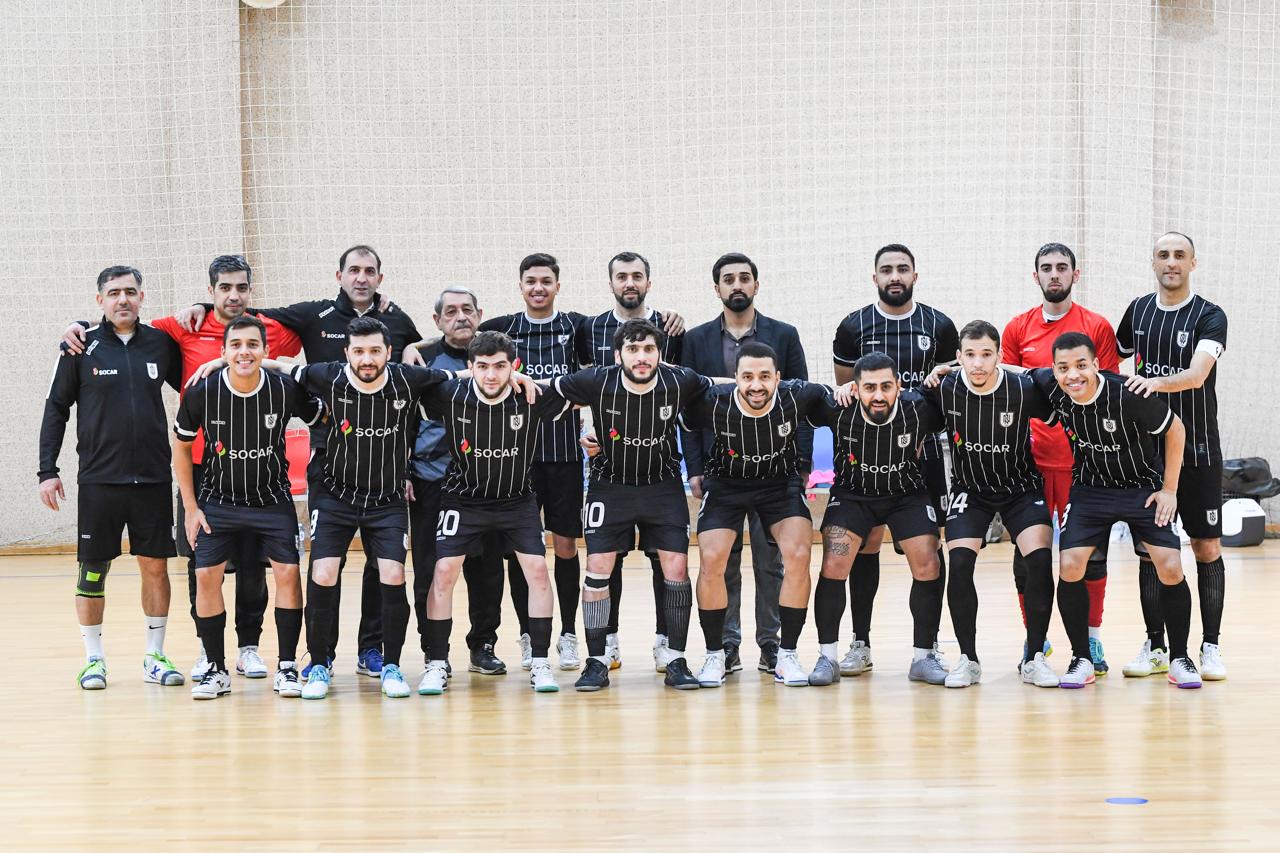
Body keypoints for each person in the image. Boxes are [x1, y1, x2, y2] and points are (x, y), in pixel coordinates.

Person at [176, 245, 423, 679]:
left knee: (384, 569)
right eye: (353, 269)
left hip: (383, 473)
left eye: (369, 271)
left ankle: (372, 652)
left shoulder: (398, 320)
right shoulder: (313, 315)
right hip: (328, 468)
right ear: (339, 275)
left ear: (380, 279)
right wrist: (208, 313)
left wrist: (419, 346)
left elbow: (428, 370)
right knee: (323, 568)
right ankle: (315, 657)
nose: (361, 277)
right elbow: (248, 317)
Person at [60, 254, 305, 680]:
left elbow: (303, 339)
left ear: (250, 291)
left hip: (255, 471)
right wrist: (78, 326)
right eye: (223, 288)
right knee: (201, 566)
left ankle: (249, 647)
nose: (233, 295)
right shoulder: (180, 328)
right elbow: (123, 324)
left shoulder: (267, 328)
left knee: (252, 567)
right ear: (210, 291)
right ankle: (208, 652)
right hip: (198, 468)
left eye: (241, 287)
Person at [39, 266, 184, 690]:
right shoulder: (80, 346)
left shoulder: (160, 344)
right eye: (114, 292)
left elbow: (195, 388)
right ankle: (93, 660)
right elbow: (56, 408)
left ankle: (154, 656)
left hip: (153, 479)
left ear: (142, 298)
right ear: (100, 300)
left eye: (131, 292)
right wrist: (47, 470)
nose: (123, 299)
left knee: (155, 567)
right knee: (92, 571)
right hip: (99, 480)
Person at [1027, 332, 1199, 688]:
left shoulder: (1129, 393)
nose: (1073, 375)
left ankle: (1179, 658)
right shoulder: (1053, 386)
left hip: (1142, 488)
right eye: (1063, 368)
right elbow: (1011, 370)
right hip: (1091, 489)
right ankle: (1081, 659)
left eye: (1081, 365)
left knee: (1170, 566)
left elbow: (1176, 430)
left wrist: (1169, 490)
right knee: (1070, 564)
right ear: (1054, 370)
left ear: (1095, 364)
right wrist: (953, 370)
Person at [554, 319, 711, 691]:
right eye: (633, 349)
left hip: (662, 486)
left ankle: (675, 658)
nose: (641, 357)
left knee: (675, 567)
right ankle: (597, 661)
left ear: (660, 354)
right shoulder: (596, 380)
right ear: (617, 355)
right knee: (598, 567)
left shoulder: (680, 380)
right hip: (610, 486)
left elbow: (725, 385)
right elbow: (544, 391)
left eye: (649, 349)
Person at [172, 316, 322, 699]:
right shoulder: (202, 392)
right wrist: (191, 507)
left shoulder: (283, 388)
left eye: (253, 345)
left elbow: (322, 415)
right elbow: (182, 447)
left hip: (271, 500)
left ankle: (286, 667)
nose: (244, 352)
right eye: (236, 345)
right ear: (222, 352)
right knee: (206, 575)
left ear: (266, 350)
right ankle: (216, 669)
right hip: (218, 500)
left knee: (288, 572)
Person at [417, 332, 573, 695]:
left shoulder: (531, 395)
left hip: (516, 500)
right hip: (463, 499)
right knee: (444, 570)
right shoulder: (450, 393)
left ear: (513, 366)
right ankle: (437, 662)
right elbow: (407, 384)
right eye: (483, 366)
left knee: (537, 570)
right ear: (470, 366)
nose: (491, 375)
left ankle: (540, 662)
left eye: (500, 366)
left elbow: (586, 389)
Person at [829, 244, 958, 676]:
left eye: (903, 269)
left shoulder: (940, 325)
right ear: (875, 278)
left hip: (921, 456)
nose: (895, 276)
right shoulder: (853, 326)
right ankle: (860, 643)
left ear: (915, 276)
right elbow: (848, 391)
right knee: (863, 544)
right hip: (866, 458)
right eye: (887, 270)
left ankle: (928, 648)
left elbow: (949, 390)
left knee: (927, 552)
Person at [681, 252, 812, 674]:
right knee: (721, 560)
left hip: (777, 470)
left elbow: (803, 402)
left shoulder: (784, 335)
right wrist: (694, 466)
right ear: (716, 288)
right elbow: (688, 409)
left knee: (774, 561)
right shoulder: (695, 339)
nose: (736, 285)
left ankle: (772, 645)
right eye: (728, 279)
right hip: (721, 469)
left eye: (743, 278)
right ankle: (726, 646)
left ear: (756, 284)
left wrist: (803, 463)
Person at [921, 321, 1059, 688]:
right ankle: (968, 659)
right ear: (958, 357)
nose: (978, 363)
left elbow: (1058, 404)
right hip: (971, 491)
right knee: (959, 563)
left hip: (1020, 489)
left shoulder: (1022, 388)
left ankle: (1034, 658)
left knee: (1039, 560)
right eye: (970, 355)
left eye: (986, 354)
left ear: (999, 356)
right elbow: (904, 402)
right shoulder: (945, 388)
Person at [1002, 243, 1119, 672]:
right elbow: (1006, 388)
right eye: (1047, 268)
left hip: (1083, 464)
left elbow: (1110, 391)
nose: (1055, 274)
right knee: (1028, 557)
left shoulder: (1097, 326)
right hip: (1031, 463)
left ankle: (1092, 641)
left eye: (1062, 267)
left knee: (1090, 556)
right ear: (1036, 276)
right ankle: (1035, 641)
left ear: (1075, 274)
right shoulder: (1017, 329)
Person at [1117, 232, 1229, 680]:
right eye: (1163, 255)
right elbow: (1109, 355)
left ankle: (1211, 646)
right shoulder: (1138, 311)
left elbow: (1198, 374)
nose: (1171, 262)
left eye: (1180, 255)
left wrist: (1154, 383)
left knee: (1206, 547)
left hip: (1198, 450)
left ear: (1192, 263)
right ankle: (1156, 646)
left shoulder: (1210, 315)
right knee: (1152, 551)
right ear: (1153, 263)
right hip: (1148, 455)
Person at [804, 352, 949, 687]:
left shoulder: (920, 408)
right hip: (853, 493)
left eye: (886, 386)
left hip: (906, 493)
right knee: (834, 562)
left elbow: (970, 384)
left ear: (899, 385)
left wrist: (945, 372)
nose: (879, 395)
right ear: (856, 389)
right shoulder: (837, 408)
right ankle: (830, 656)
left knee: (928, 561)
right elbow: (796, 399)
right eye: (869, 387)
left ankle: (924, 657)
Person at [576, 251, 686, 672]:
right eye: (621, 276)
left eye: (637, 276)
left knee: (668, 560)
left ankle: (667, 644)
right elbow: (581, 385)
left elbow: (688, 390)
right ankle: (606, 644)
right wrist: (587, 430)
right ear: (610, 283)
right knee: (607, 559)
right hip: (609, 464)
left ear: (648, 282)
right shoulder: (590, 327)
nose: (629, 283)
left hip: (658, 467)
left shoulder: (671, 326)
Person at [479, 254, 588, 670]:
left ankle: (568, 635)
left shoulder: (576, 326)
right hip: (517, 459)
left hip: (564, 456)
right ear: (520, 286)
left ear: (557, 285)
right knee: (520, 551)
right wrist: (415, 347)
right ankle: (528, 635)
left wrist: (667, 319)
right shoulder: (503, 328)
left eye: (546, 281)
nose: (538, 288)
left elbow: (617, 334)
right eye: (531, 281)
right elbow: (457, 337)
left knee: (565, 546)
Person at [404, 288, 507, 676]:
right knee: (430, 571)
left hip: (485, 483)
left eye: (467, 310)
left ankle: (483, 645)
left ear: (480, 314)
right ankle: (435, 652)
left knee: (486, 571)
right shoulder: (421, 359)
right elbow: (402, 419)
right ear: (437, 321)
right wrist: (403, 471)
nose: (460, 316)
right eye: (450, 311)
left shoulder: (496, 355)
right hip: (431, 481)